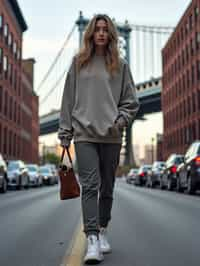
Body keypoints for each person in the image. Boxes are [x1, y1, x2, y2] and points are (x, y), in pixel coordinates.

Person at [58, 13, 140, 264]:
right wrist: (65, 132)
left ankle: (103, 230)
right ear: (91, 33)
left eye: (106, 29)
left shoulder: (121, 65)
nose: (102, 33)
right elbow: (68, 100)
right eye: (98, 29)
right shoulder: (78, 63)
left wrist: (120, 122)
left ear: (111, 35)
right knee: (90, 185)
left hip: (112, 136)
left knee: (107, 188)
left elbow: (131, 101)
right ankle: (91, 238)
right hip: (84, 135)